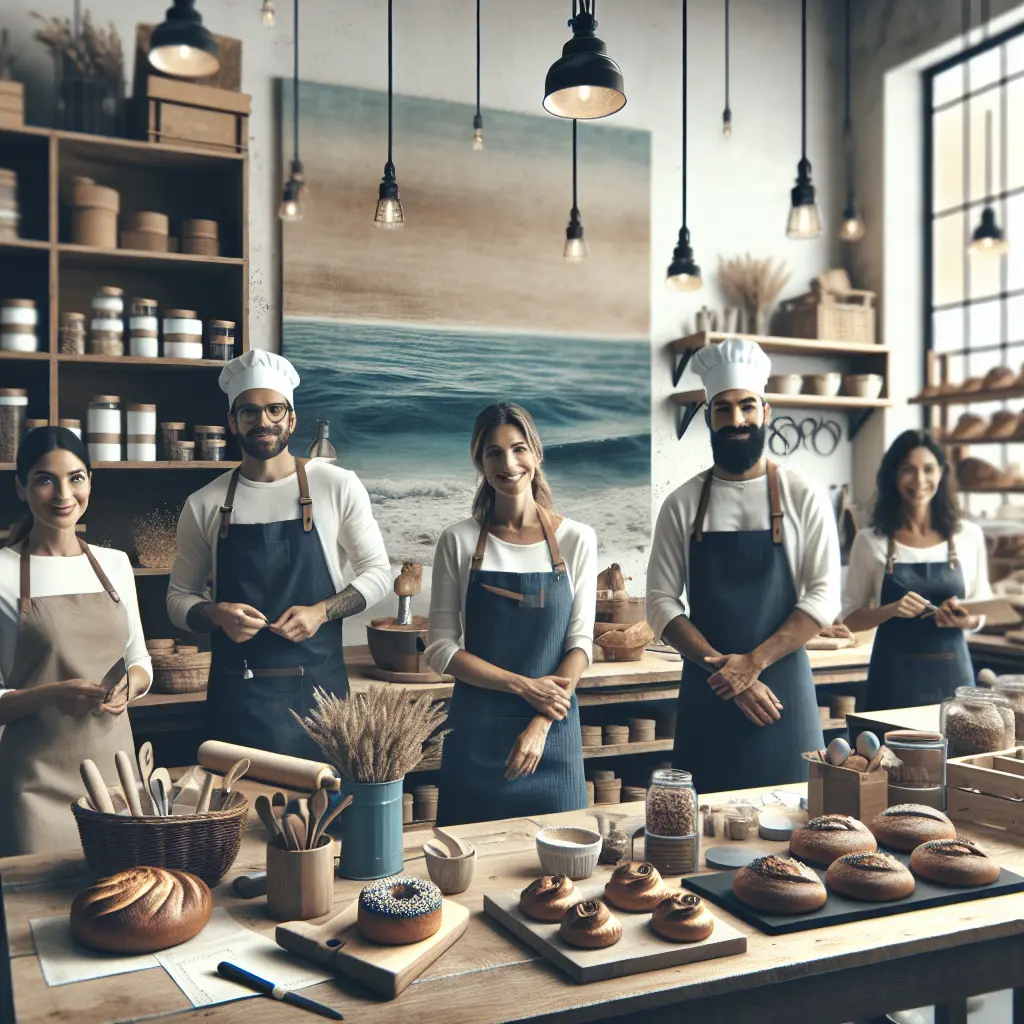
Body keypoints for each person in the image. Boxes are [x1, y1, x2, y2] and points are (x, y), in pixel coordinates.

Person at [167, 350, 391, 759]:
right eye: (249, 412)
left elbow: (378, 573)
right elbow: (178, 599)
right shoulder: (204, 503)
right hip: (237, 702)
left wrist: (320, 612)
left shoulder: (336, 486)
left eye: (274, 409)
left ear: (292, 418)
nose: (263, 421)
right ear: (233, 422)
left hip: (320, 702)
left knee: (321, 819)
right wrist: (216, 615)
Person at [646, 339, 841, 794]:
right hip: (708, 693)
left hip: (782, 698)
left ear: (765, 412)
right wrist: (727, 672)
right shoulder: (682, 503)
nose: (736, 420)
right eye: (723, 409)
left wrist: (753, 665)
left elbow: (823, 596)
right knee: (695, 838)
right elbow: (659, 603)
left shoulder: (801, 494)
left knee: (795, 836)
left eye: (747, 407)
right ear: (708, 416)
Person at [427, 402, 595, 825]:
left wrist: (540, 720)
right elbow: (440, 649)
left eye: (519, 449)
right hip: (475, 737)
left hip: (552, 732)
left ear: (536, 456)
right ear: (480, 463)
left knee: (566, 875)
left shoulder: (577, 539)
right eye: (493, 453)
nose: (508, 463)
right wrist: (524, 686)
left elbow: (580, 644)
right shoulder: (459, 541)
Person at [0, 427, 152, 856]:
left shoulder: (115, 565)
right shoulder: (3, 571)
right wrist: (51, 694)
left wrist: (131, 686)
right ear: (20, 487)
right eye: (45, 479)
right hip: (35, 787)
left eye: (77, 477)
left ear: (90, 481)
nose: (63, 493)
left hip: (116, 779)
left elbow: (139, 658)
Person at [842, 430, 989, 710]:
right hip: (892, 683)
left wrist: (965, 620)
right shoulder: (870, 541)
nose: (920, 480)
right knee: (889, 755)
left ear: (942, 473)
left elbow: (982, 610)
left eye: (929, 469)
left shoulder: (968, 536)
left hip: (954, 683)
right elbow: (849, 618)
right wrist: (891, 609)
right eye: (908, 470)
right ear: (893, 476)